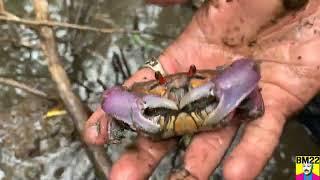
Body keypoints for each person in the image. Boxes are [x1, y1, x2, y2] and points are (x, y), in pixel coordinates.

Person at [84, 0, 320, 179]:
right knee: (305, 130)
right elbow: (111, 103)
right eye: (161, 87)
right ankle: (308, 174)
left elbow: (250, 76)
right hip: (301, 83)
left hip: (303, 68)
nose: (178, 95)